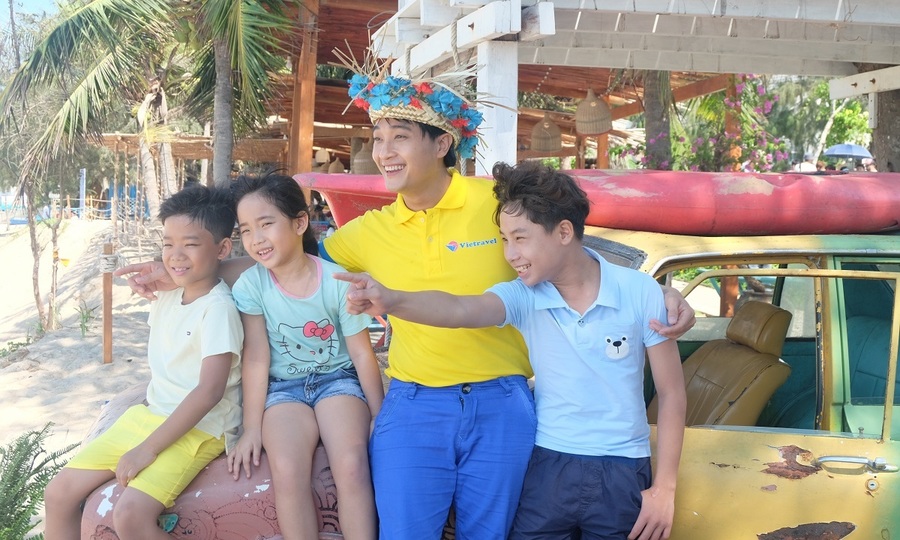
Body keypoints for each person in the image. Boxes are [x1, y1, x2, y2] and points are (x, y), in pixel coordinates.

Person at [115, 64, 696, 539]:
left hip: (503, 403)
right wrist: (180, 269)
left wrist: (662, 294)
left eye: (399, 137)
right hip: (415, 403)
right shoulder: (367, 233)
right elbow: (286, 258)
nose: (384, 152)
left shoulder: (494, 204)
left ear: (442, 143)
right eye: (377, 139)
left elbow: (570, 247)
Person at [336, 160, 686, 540]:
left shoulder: (641, 292)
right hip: (547, 464)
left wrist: (665, 488)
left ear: (564, 231)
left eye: (520, 238)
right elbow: (459, 310)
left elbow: (670, 393)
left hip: (623, 468)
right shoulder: (525, 296)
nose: (510, 254)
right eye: (504, 239)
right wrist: (392, 300)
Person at [45, 185, 244, 540]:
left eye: (191, 244)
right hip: (150, 414)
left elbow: (209, 391)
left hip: (200, 428)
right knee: (58, 494)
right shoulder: (167, 295)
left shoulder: (218, 309)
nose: (175, 255)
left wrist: (146, 450)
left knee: (130, 515)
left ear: (223, 249)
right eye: (168, 244)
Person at [225, 173, 382, 540]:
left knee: (352, 464)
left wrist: (379, 414)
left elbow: (361, 353)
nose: (256, 239)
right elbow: (257, 358)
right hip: (283, 390)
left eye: (266, 224)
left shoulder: (337, 281)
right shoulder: (251, 285)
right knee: (286, 467)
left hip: (338, 382)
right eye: (246, 230)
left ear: (299, 223)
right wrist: (251, 428)